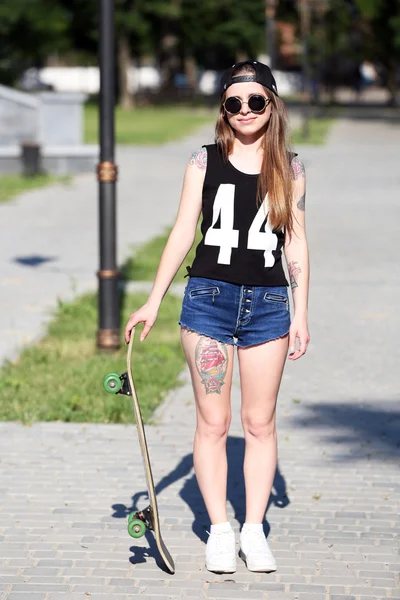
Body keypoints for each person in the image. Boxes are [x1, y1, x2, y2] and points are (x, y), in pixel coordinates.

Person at [125, 60, 310, 574]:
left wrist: (301, 313)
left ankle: (254, 530)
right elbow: (183, 231)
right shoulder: (203, 162)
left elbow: (294, 241)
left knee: (258, 421)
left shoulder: (289, 169)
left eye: (256, 101)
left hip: (270, 306)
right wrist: (153, 300)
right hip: (208, 300)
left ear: (272, 105)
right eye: (234, 103)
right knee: (214, 420)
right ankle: (219, 531)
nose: (246, 111)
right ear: (223, 110)